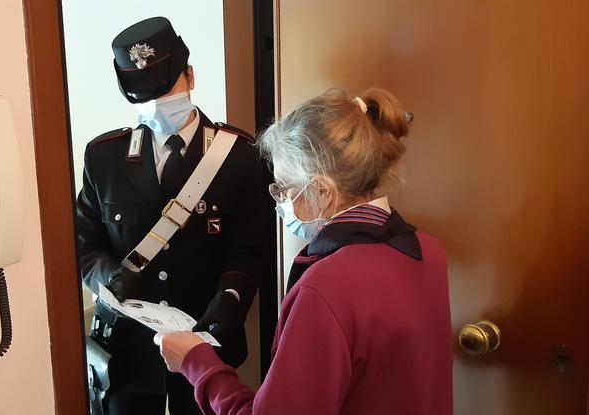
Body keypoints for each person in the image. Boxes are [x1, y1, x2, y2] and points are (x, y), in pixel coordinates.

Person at [156, 88, 453, 414]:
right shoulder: (428, 250)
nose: (280, 202)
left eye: (283, 188)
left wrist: (196, 363)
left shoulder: (325, 286)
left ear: (323, 191)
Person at [76, 17, 274, 415]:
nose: (157, 102)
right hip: (128, 353)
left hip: (205, 345)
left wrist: (231, 299)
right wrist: (110, 278)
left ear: (191, 74)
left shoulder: (238, 156)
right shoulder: (104, 157)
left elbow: (252, 249)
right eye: (144, 94)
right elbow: (84, 243)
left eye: (166, 88)